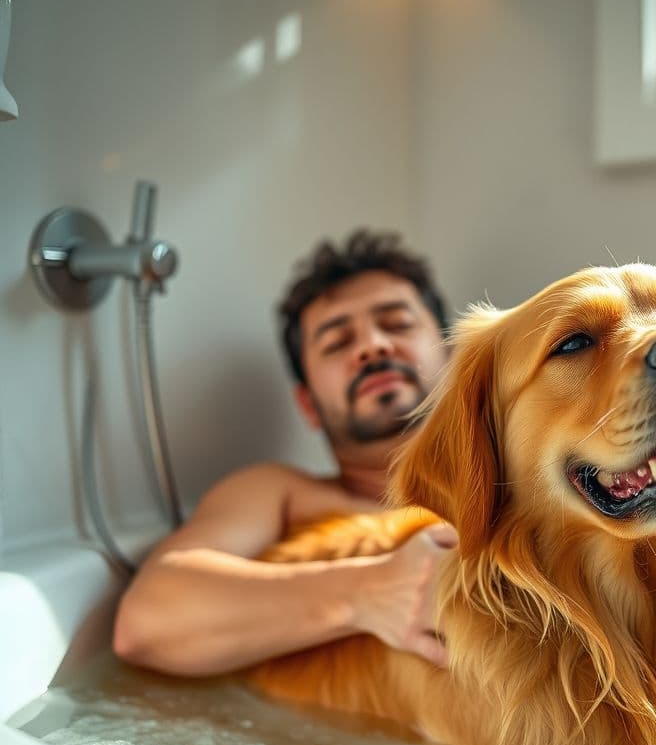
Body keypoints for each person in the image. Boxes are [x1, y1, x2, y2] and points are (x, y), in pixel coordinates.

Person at [113, 230, 456, 674]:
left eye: (396, 323)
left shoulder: (526, 475)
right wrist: (370, 590)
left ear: (454, 358)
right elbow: (146, 623)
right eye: (337, 342)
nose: (372, 346)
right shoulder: (278, 495)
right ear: (308, 405)